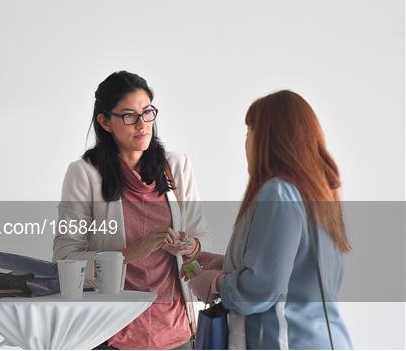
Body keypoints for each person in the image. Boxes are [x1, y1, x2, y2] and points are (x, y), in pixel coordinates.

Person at [53, 71, 211, 350]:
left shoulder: (177, 166)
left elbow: (202, 240)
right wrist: (134, 252)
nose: (142, 124)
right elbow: (65, 259)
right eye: (128, 115)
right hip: (113, 335)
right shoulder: (84, 174)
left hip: (179, 333)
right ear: (105, 122)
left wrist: (190, 246)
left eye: (147, 112)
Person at [187, 90, 353, 349]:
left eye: (249, 132)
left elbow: (262, 289)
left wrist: (216, 283)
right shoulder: (319, 192)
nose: (246, 143)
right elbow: (294, 271)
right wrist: (226, 263)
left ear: (268, 138)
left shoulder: (278, 193)